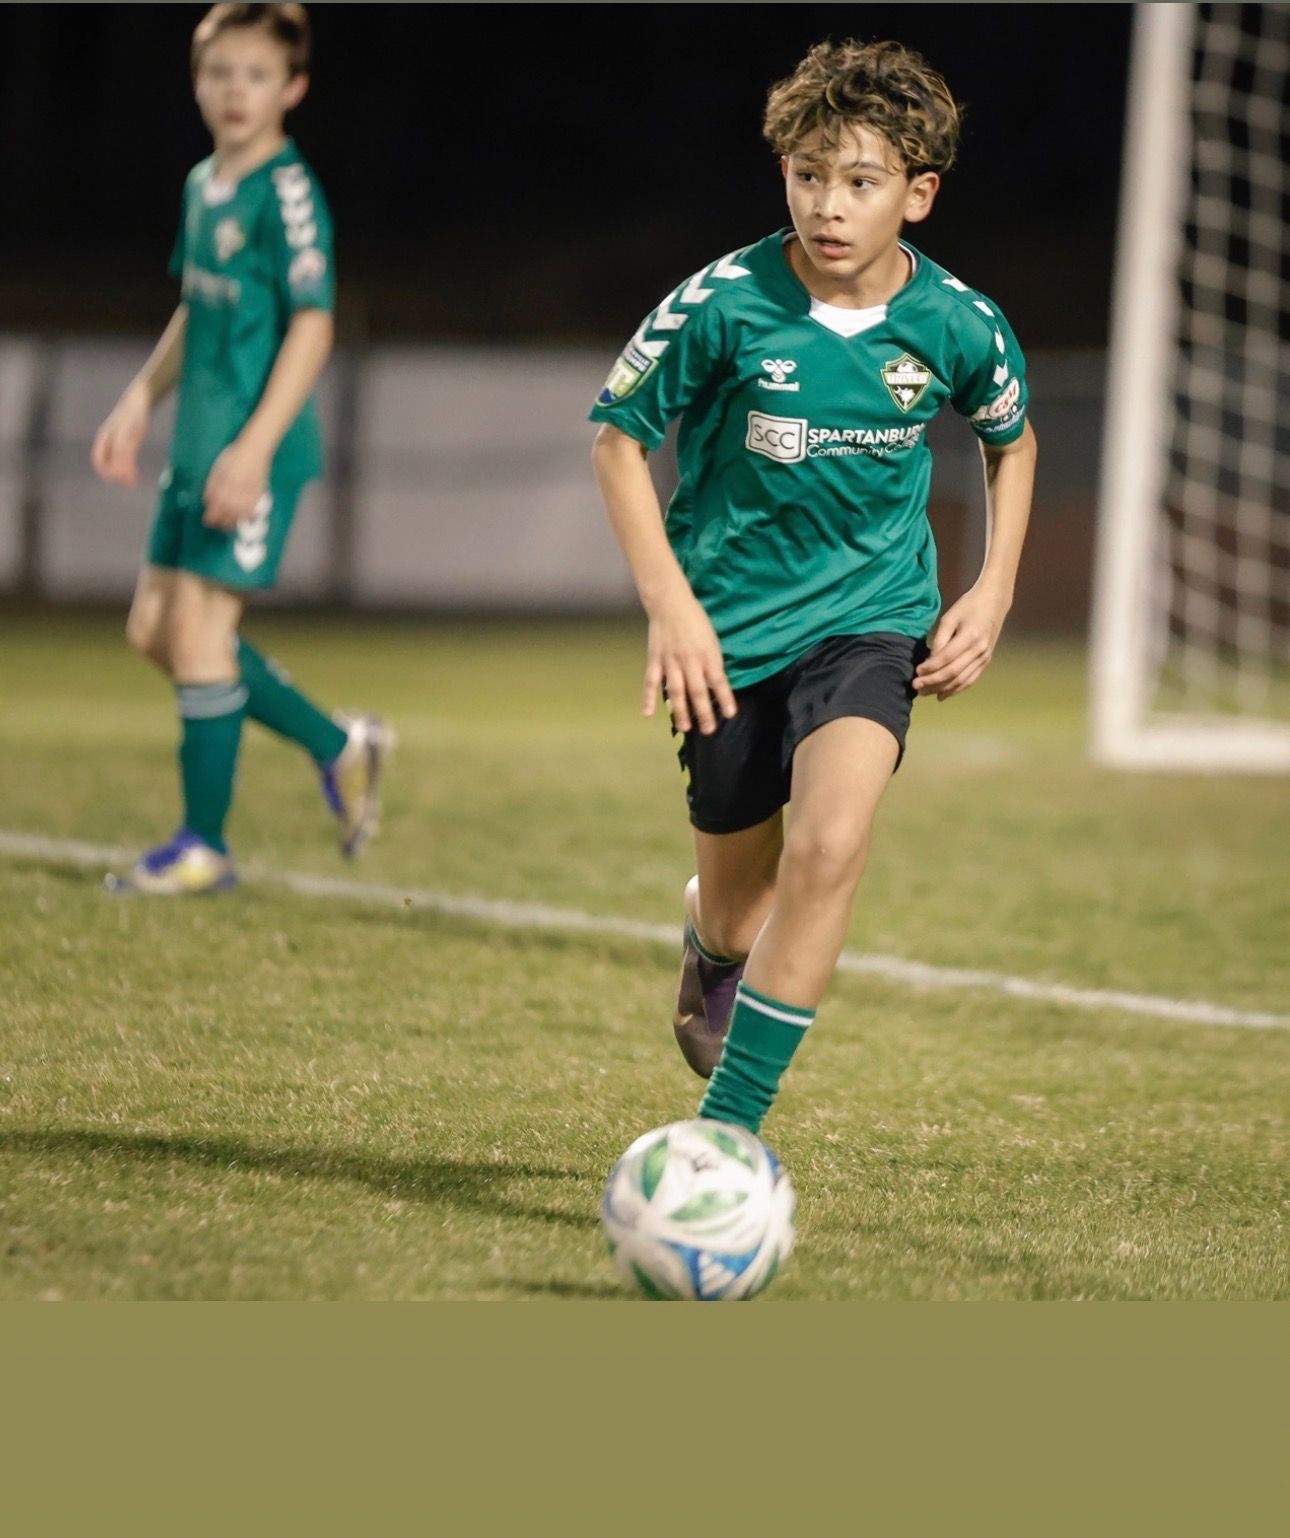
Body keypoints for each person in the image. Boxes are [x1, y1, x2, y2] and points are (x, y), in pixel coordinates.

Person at [589, 39, 1037, 1136]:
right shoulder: (723, 304)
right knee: (741, 910)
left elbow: (1012, 442)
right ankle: (712, 943)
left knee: (831, 846)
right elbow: (616, 441)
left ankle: (727, 1137)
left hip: (871, 622)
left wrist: (991, 591)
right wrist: (670, 604)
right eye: (808, 175)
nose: (829, 205)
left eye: (861, 181)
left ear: (918, 194)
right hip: (728, 633)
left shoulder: (957, 322)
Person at [91, 2, 391, 896]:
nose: (235, 90)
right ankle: (341, 745)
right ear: (197, 80)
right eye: (220, 71)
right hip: (198, 447)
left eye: (256, 75)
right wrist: (139, 396)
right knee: (155, 632)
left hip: (255, 451)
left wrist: (254, 449)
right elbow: (199, 304)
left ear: (292, 89)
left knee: (199, 635)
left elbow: (313, 325)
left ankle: (204, 849)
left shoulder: (287, 193)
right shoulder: (204, 184)